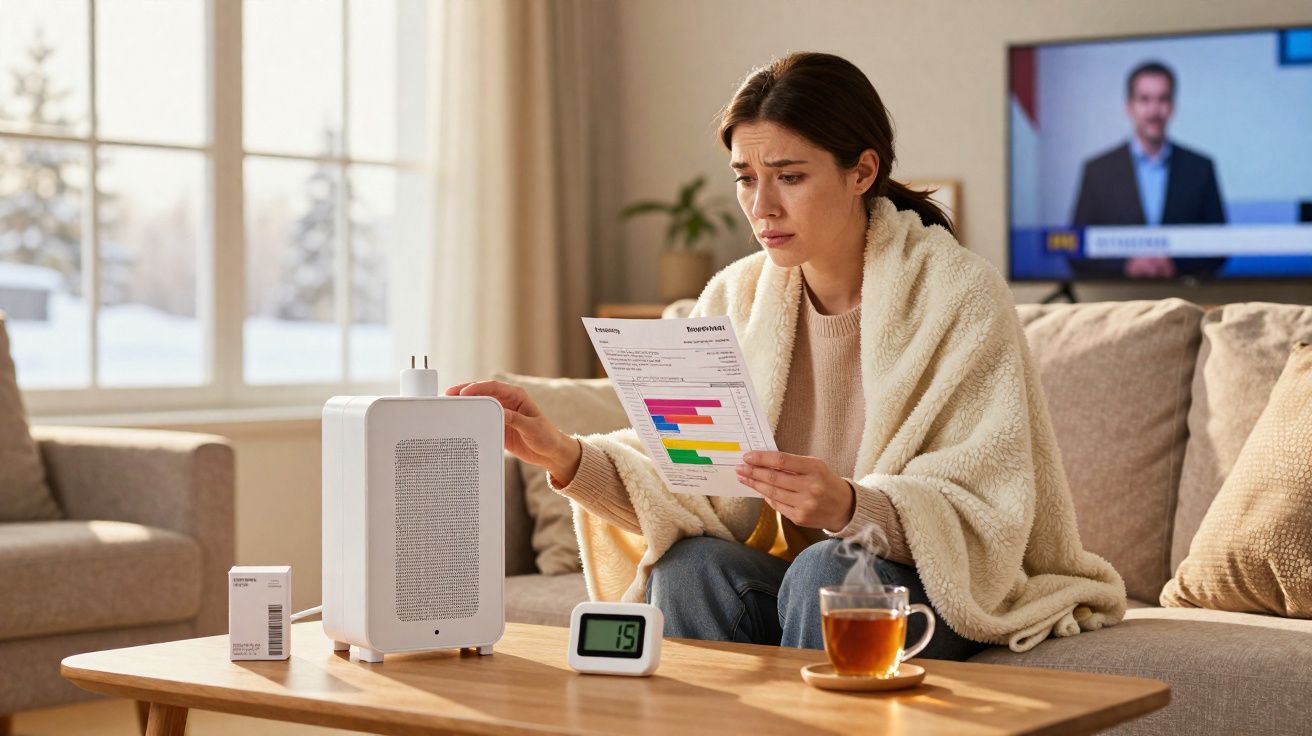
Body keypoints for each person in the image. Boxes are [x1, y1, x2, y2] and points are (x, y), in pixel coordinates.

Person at [448, 52, 1125, 659]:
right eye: (745, 178)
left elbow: (988, 504)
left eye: (789, 176)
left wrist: (850, 505)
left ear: (862, 170)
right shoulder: (734, 298)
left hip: (931, 587)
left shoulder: (958, 294)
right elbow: (691, 474)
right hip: (805, 579)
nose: (761, 206)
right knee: (690, 570)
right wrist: (561, 454)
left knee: (827, 569)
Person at [1070, 61, 1227, 279]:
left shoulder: (1200, 168)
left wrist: (1175, 264)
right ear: (1129, 107)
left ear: (1172, 106)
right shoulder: (1097, 170)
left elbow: (1220, 245)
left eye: (1162, 99)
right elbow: (1075, 250)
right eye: (1144, 100)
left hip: (1185, 299)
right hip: (1119, 304)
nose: (1154, 110)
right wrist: (1126, 266)